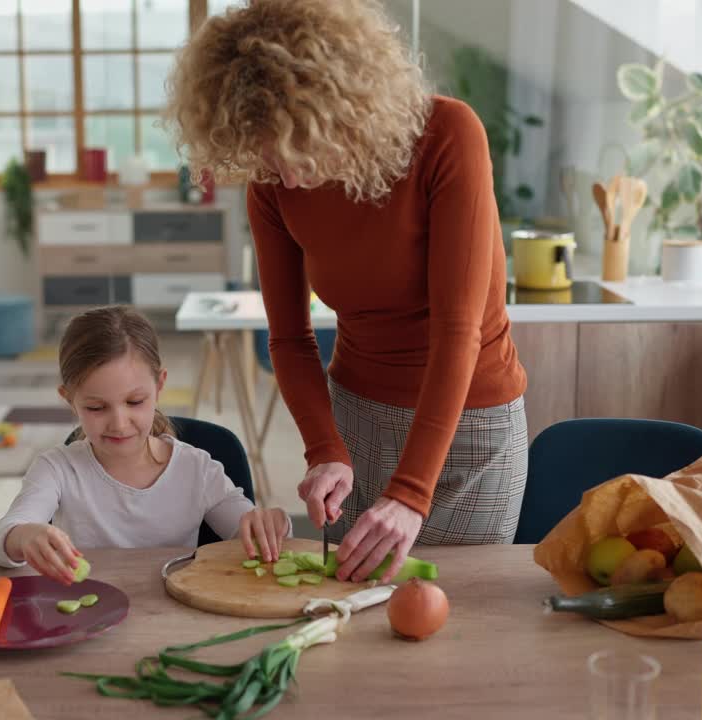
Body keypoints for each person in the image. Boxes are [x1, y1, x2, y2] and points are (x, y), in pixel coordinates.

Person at [163, 0, 529, 585]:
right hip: (358, 417)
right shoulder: (272, 187)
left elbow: (457, 332)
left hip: (468, 427)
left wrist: (411, 493)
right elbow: (288, 337)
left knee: (455, 620)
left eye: (292, 144)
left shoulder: (447, 135)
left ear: (337, 108)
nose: (281, 171)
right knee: (350, 618)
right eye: (261, 150)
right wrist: (325, 449)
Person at [0, 305, 292, 583]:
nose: (119, 423)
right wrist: (23, 536)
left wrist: (271, 526)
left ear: (159, 386)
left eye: (134, 401)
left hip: (175, 618)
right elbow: (2, 538)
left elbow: (248, 535)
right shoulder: (57, 469)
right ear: (69, 400)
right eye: (96, 408)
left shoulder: (197, 469)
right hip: (85, 620)